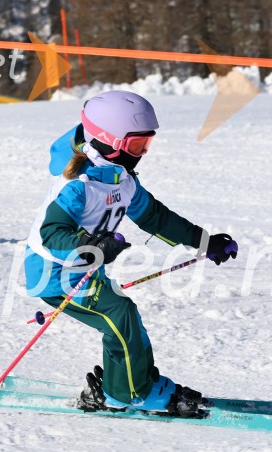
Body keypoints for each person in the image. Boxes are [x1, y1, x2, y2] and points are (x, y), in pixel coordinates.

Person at [24, 91, 236, 417]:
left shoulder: (121, 179)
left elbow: (156, 217)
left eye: (147, 145)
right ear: (111, 140)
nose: (143, 153)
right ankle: (131, 394)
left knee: (123, 321)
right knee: (121, 315)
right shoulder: (79, 185)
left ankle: (123, 383)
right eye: (137, 145)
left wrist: (203, 241)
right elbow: (51, 233)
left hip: (84, 269)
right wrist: (93, 245)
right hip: (53, 271)